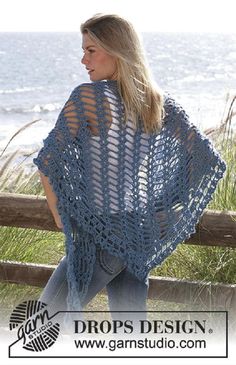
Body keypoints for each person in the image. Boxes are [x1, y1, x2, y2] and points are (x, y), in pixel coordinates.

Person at [33, 14, 226, 325]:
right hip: (140, 235)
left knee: (42, 324)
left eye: (91, 50)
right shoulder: (157, 101)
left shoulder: (88, 97)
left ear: (117, 50)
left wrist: (60, 216)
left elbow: (48, 160)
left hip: (101, 241)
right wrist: (163, 208)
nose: (83, 60)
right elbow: (208, 160)